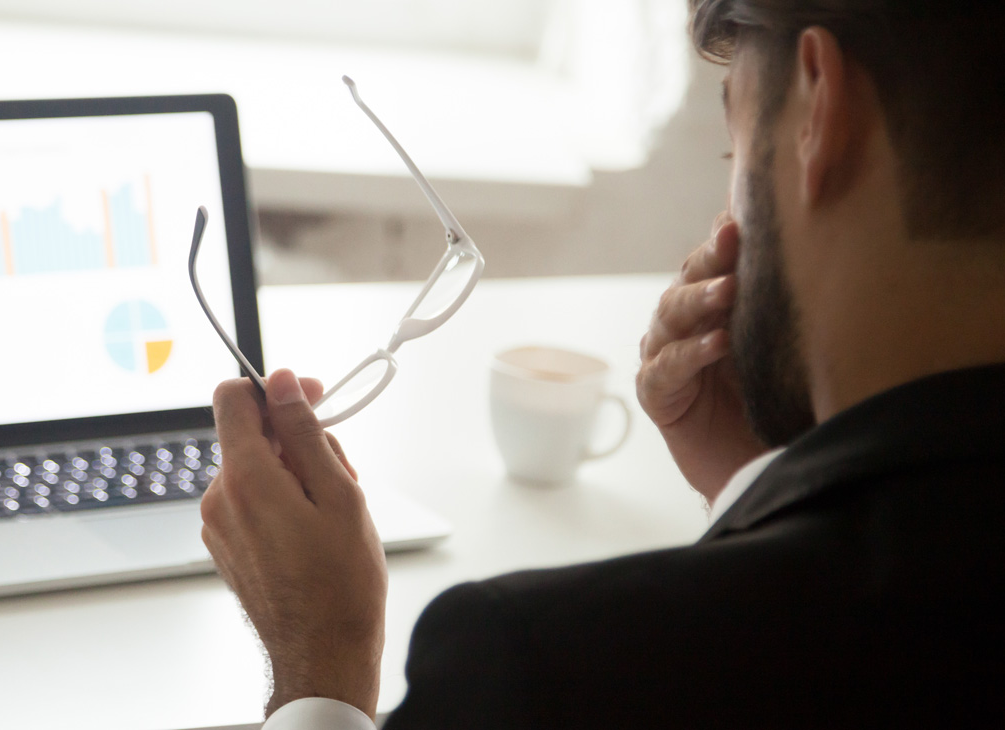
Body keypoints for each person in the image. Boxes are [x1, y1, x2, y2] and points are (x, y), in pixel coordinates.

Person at [198, 0, 1005, 726]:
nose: (727, 220)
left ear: (817, 112)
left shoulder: (547, 667)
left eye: (735, 152)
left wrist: (320, 670)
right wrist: (757, 485)